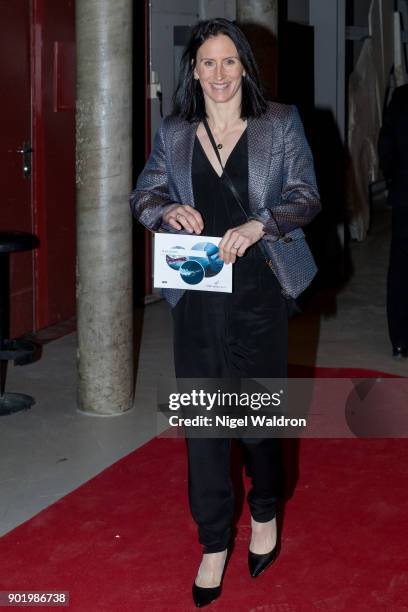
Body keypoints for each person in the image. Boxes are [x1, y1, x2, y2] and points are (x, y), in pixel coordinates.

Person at [130, 18, 320, 607]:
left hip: (262, 291)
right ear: (194, 69)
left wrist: (260, 223)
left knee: (259, 424)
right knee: (206, 428)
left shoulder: (278, 123)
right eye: (207, 63)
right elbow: (144, 194)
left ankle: (265, 507)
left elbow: (306, 196)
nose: (219, 74)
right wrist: (167, 213)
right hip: (197, 296)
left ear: (245, 67)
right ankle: (214, 542)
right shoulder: (175, 131)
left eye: (229, 61)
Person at [378, 84, 408, 359]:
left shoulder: (401, 96)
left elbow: (386, 144)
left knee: (401, 268)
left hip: (405, 196)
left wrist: (394, 181)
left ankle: (400, 340)